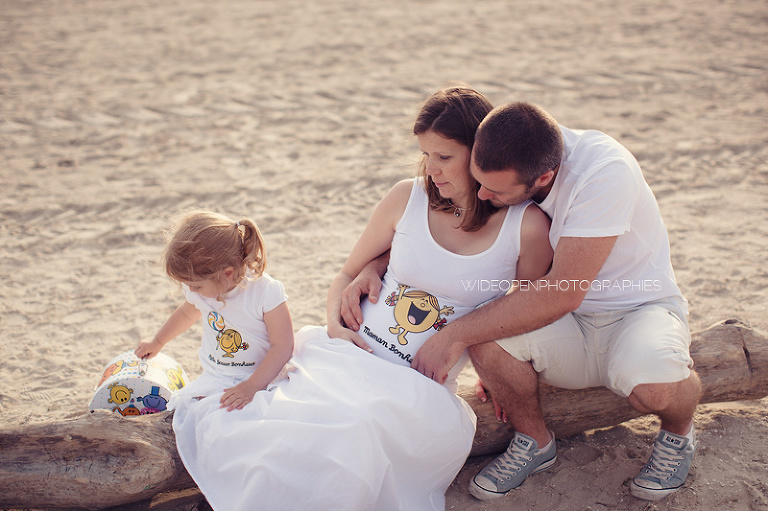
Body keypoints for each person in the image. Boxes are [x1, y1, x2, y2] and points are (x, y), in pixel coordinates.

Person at [343, 101, 702, 503]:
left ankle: (678, 434)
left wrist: (451, 337)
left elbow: (563, 290)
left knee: (652, 389)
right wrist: (375, 263)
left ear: (544, 176)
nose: (481, 194)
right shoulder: (512, 142)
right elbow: (438, 240)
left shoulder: (603, 173)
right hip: (568, 321)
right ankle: (536, 440)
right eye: (478, 180)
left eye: (493, 191)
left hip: (637, 310)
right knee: (485, 337)